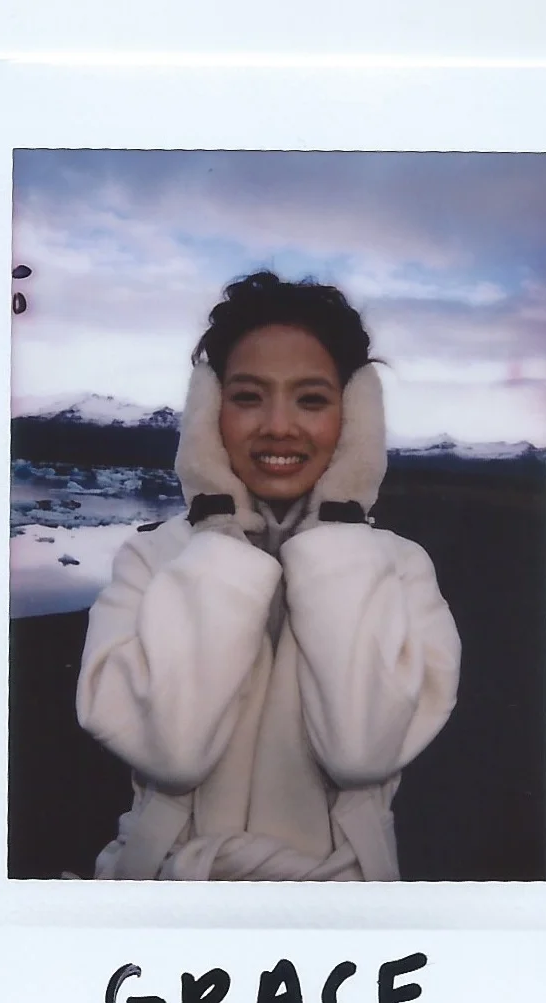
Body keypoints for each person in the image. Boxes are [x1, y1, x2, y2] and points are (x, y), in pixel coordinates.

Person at [76, 271, 461, 881]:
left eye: (311, 400)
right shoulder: (151, 559)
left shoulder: (400, 568)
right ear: (209, 412)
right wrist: (219, 533)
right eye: (249, 397)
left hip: (336, 909)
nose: (279, 426)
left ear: (355, 415)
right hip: (165, 893)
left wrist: (338, 528)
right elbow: (170, 752)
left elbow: (360, 751)